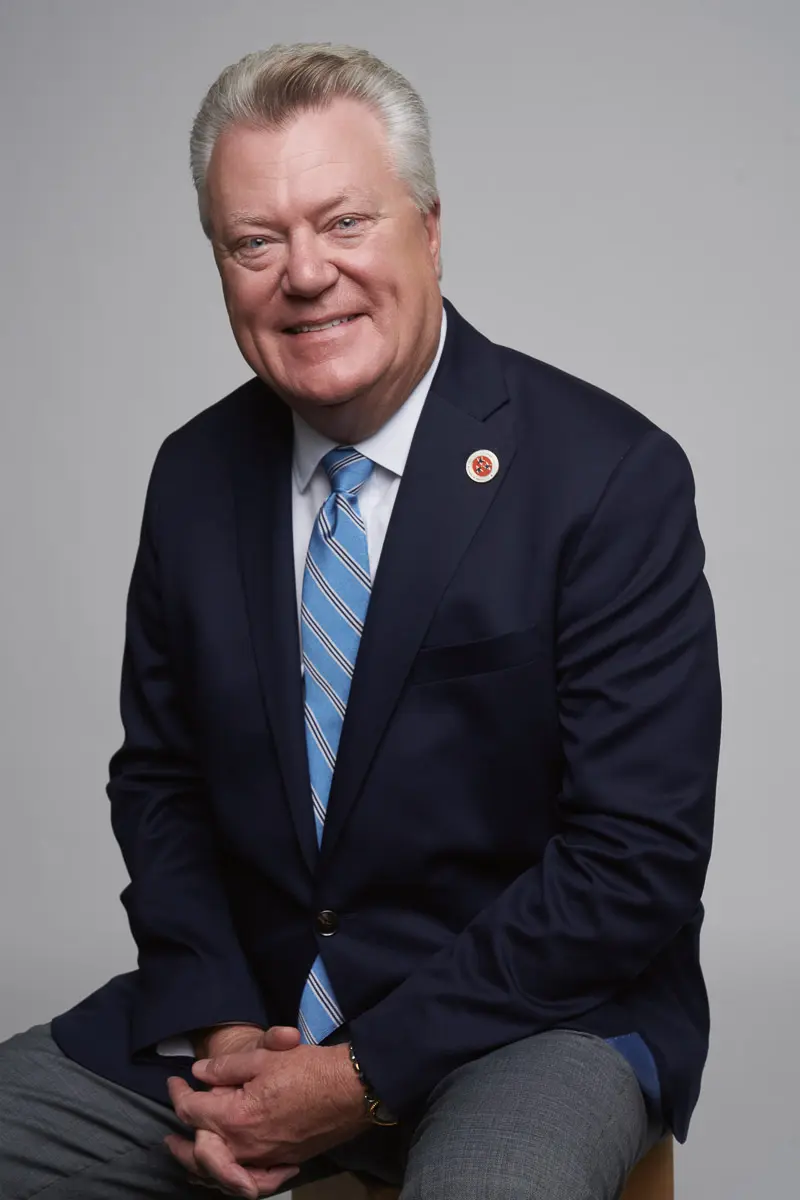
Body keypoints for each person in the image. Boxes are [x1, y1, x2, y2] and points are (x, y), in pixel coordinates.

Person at [0, 42, 721, 1200]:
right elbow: (162, 784)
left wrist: (357, 1073)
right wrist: (227, 1024)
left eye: (342, 222)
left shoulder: (605, 475)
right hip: (254, 1016)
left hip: (531, 1020)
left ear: (426, 230)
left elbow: (628, 866)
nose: (302, 274)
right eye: (254, 241)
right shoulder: (192, 476)